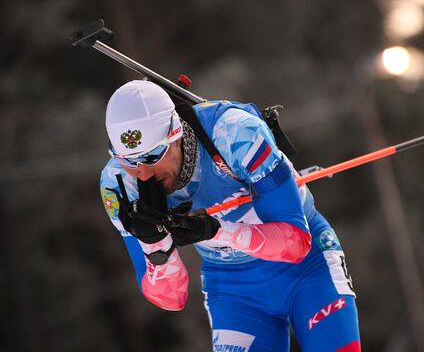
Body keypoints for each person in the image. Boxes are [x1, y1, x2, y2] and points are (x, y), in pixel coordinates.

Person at [99, 80, 360, 351]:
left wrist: (216, 230)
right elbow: (171, 299)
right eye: (128, 160)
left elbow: (296, 244)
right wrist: (155, 243)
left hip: (307, 268)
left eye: (153, 155)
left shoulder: (235, 133)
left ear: (175, 133)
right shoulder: (118, 185)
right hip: (233, 289)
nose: (143, 174)